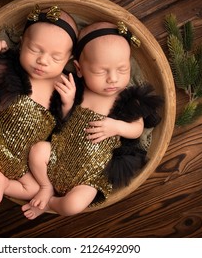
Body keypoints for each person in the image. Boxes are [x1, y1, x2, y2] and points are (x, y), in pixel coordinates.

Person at [22, 21, 163, 219]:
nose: (113, 79)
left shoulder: (128, 99)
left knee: (73, 205)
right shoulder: (77, 89)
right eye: (100, 71)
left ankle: (49, 203)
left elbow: (137, 129)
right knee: (38, 150)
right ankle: (45, 187)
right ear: (79, 69)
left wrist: (116, 126)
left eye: (122, 70)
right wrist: (67, 102)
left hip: (90, 175)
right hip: (57, 154)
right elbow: (60, 120)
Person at [0, 5, 78, 215]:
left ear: (68, 60)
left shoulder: (63, 85)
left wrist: (68, 102)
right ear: (21, 44)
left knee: (35, 189)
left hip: (25, 159)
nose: (42, 60)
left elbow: (64, 126)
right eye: (35, 50)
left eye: (55, 58)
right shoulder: (13, 69)